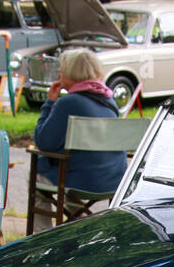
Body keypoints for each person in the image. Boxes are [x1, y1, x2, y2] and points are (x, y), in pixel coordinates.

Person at [33, 47, 127, 194]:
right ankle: (78, 216)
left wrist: (50, 102)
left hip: (79, 181)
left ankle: (71, 215)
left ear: (71, 74)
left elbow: (43, 142)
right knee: (78, 163)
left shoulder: (68, 103)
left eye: (62, 71)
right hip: (114, 179)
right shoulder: (109, 99)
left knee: (35, 178)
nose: (59, 75)